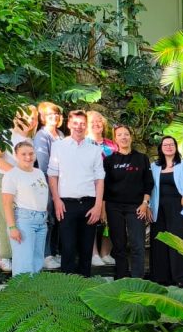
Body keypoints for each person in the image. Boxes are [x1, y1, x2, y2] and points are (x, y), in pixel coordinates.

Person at [48, 110, 105, 277]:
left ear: (86, 126)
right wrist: (57, 200)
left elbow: (99, 179)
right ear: (68, 124)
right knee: (68, 248)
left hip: (89, 204)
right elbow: (52, 175)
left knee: (86, 250)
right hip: (66, 204)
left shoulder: (94, 149)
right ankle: (67, 287)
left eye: (82, 124)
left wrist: (98, 206)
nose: (79, 127)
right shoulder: (58, 146)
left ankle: (85, 285)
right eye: (75, 123)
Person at [0, 105, 38, 273]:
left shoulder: (31, 139)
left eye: (33, 118)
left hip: (24, 184)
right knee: (5, 216)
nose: (30, 121)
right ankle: (4, 257)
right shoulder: (7, 134)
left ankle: (19, 256)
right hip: (5, 180)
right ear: (17, 117)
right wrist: (17, 173)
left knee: (20, 218)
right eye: (27, 117)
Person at [148, 136, 183, 287]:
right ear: (161, 148)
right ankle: (161, 277)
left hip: (177, 208)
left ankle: (180, 276)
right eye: (165, 145)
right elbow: (149, 187)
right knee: (159, 242)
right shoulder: (154, 166)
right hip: (158, 208)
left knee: (177, 241)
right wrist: (148, 206)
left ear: (175, 147)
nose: (169, 147)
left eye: (171, 144)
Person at [103, 125, 153, 279]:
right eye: (119, 135)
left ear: (131, 137)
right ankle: (122, 278)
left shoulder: (142, 158)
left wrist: (145, 203)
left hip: (136, 207)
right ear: (115, 139)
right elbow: (104, 186)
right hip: (114, 207)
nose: (123, 137)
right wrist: (103, 210)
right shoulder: (109, 161)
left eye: (126, 134)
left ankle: (138, 279)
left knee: (138, 244)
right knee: (119, 245)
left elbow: (148, 183)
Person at [0, 140, 49, 276]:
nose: (28, 157)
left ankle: (34, 290)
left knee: (37, 262)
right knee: (24, 264)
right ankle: (20, 290)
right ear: (16, 155)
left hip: (41, 221)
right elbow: (7, 203)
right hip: (24, 221)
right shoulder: (11, 175)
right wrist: (12, 228)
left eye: (31, 153)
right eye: (24, 154)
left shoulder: (39, 173)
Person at [34, 102, 64, 269]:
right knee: (48, 219)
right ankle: (45, 255)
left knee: (58, 218)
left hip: (61, 184)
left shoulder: (60, 134)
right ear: (43, 117)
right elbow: (43, 164)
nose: (54, 117)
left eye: (56, 114)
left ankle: (55, 251)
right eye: (50, 114)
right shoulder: (42, 135)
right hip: (46, 183)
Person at [87, 110, 119, 268]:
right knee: (92, 219)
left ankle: (106, 253)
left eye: (99, 120)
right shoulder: (84, 143)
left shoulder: (112, 145)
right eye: (92, 122)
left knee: (110, 219)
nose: (96, 124)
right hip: (90, 186)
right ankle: (93, 253)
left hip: (111, 187)